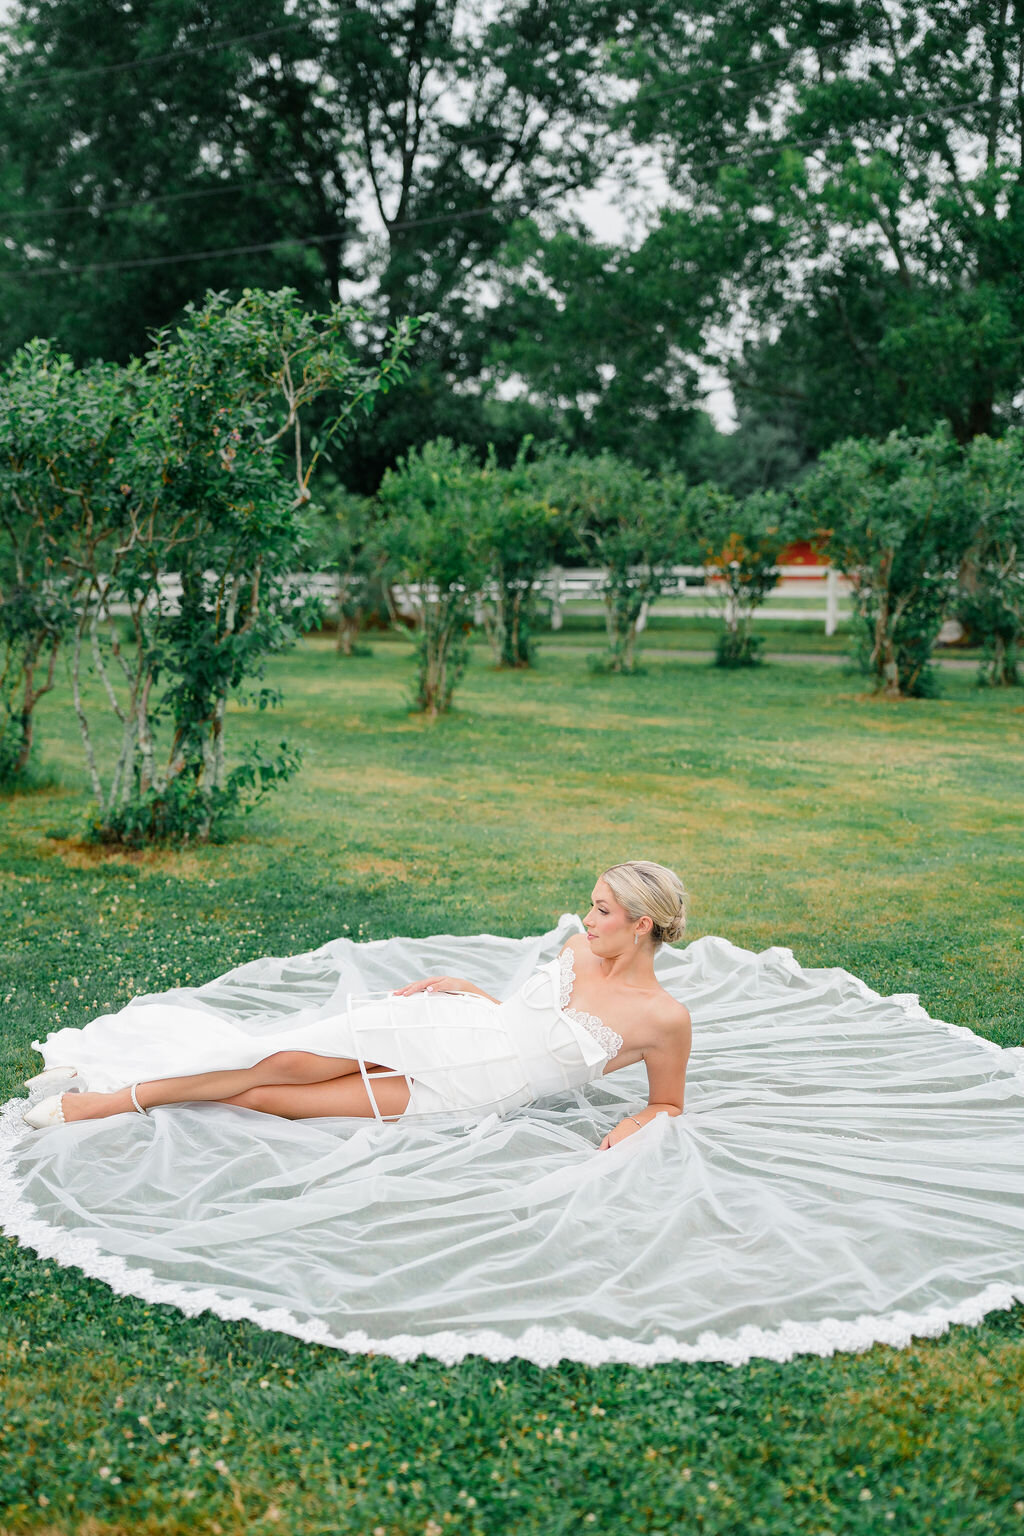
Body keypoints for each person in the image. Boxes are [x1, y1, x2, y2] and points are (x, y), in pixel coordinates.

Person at [23, 860, 691, 1150]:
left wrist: (634, 1127)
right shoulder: (579, 946)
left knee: (268, 1099)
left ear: (641, 925)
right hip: (446, 1026)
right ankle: (108, 1100)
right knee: (279, 1061)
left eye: (602, 909)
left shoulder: (663, 1021)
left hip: (476, 1089)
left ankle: (135, 1094)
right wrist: (474, 994)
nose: (587, 915)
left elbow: (667, 1103)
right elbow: (529, 1017)